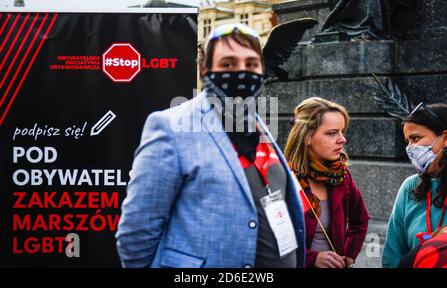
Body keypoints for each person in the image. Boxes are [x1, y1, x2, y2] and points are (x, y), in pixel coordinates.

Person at [115, 23, 306, 268]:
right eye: (228, 64)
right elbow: (137, 231)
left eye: (251, 64)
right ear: (205, 69)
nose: (242, 72)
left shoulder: (258, 123)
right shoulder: (171, 126)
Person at [284, 97, 369, 268]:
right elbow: (271, 239)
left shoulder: (341, 176)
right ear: (307, 137)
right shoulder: (284, 179)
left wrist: (349, 253)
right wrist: (312, 258)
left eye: (342, 131)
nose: (342, 139)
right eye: (332, 133)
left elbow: (360, 219)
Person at [383, 102, 447, 268]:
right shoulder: (410, 186)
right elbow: (392, 253)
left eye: (416, 138)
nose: (410, 148)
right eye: (407, 141)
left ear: (446, 138)